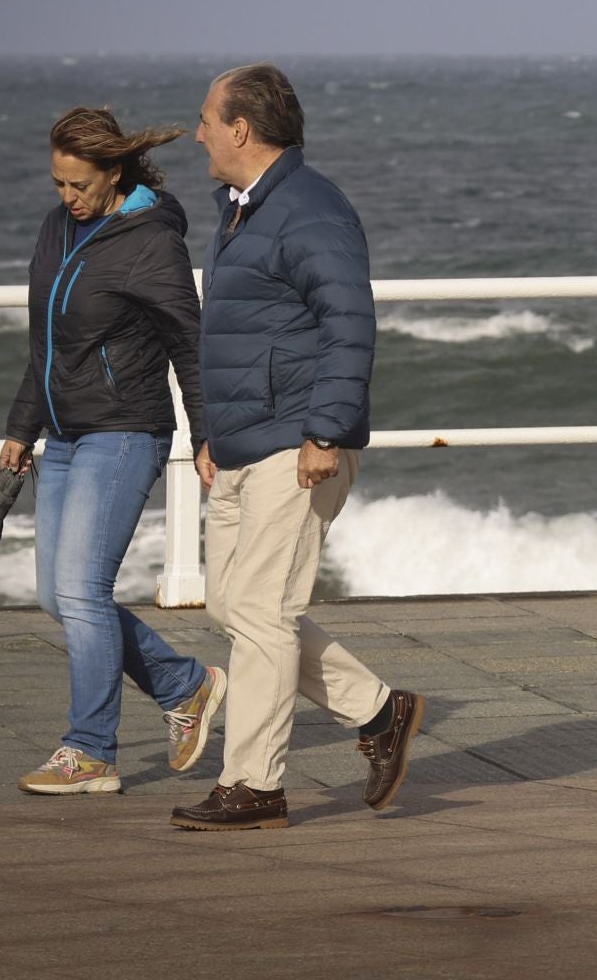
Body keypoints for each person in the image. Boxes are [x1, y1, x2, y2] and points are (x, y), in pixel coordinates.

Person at [169, 63, 423, 832]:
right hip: (245, 443)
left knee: (263, 611)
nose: (200, 131)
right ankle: (379, 712)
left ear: (242, 128)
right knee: (234, 603)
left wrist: (324, 431)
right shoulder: (244, 209)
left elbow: (350, 323)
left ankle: (253, 784)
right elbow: (239, 333)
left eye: (208, 119)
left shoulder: (311, 209)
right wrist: (210, 434)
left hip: (298, 440)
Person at [3, 107, 226, 794]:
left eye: (78, 184)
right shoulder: (57, 228)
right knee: (55, 595)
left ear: (115, 171)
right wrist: (22, 425)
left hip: (126, 431)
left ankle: (91, 750)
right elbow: (47, 341)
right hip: (65, 434)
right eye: (57, 184)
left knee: (83, 590)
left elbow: (189, 345)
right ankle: (185, 685)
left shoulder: (149, 243)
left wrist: (207, 435)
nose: (67, 197)